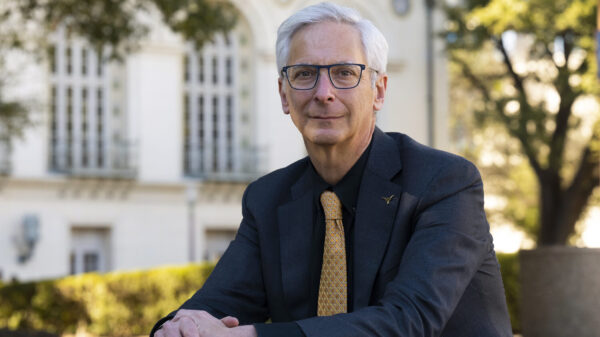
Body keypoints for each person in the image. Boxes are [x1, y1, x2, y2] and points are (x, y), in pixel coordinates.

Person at [151, 2, 512, 337]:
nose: (323, 92)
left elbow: (409, 321)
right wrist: (181, 328)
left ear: (379, 91)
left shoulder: (443, 183)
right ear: (283, 94)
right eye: (305, 74)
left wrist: (250, 335)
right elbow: (213, 305)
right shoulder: (267, 200)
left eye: (344, 73)